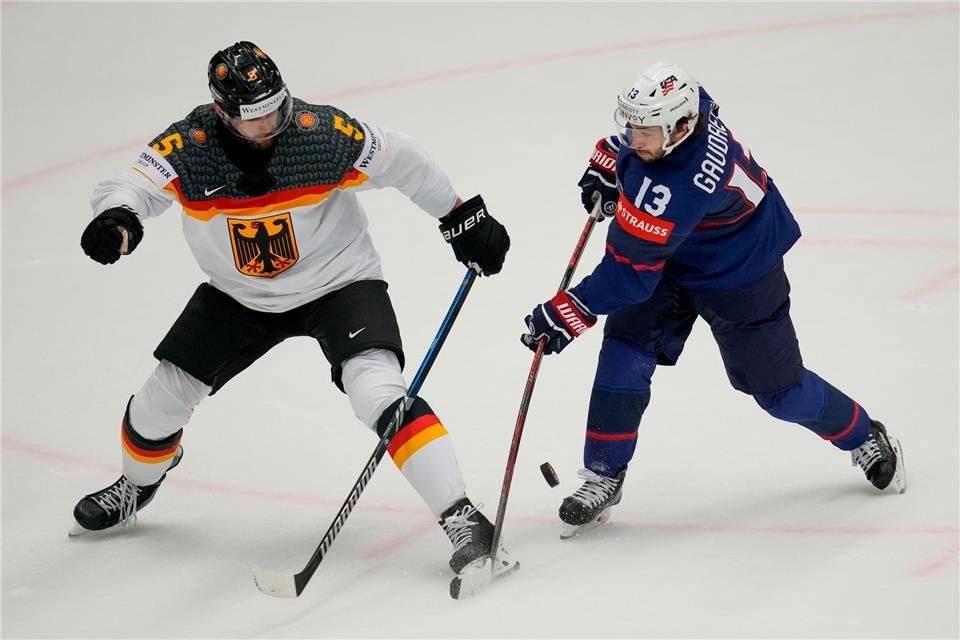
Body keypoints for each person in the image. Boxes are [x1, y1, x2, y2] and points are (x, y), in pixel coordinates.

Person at [72, 41, 515, 582]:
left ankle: (462, 516)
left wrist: (460, 216)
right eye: (254, 118)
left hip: (339, 283)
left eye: (275, 108)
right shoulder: (188, 145)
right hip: (239, 297)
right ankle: (137, 486)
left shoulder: (321, 134)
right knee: (159, 401)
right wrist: (116, 215)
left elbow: (404, 160)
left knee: (376, 390)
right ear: (221, 114)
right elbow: (132, 183)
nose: (270, 125)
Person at [520, 62, 906, 539]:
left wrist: (568, 311)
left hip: (740, 270)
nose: (635, 138)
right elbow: (640, 149)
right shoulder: (688, 110)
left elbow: (628, 277)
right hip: (673, 254)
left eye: (645, 132)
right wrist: (611, 162)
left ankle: (863, 433)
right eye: (633, 127)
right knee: (624, 352)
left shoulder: (680, 185)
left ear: (681, 129)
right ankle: (604, 472)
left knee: (779, 393)